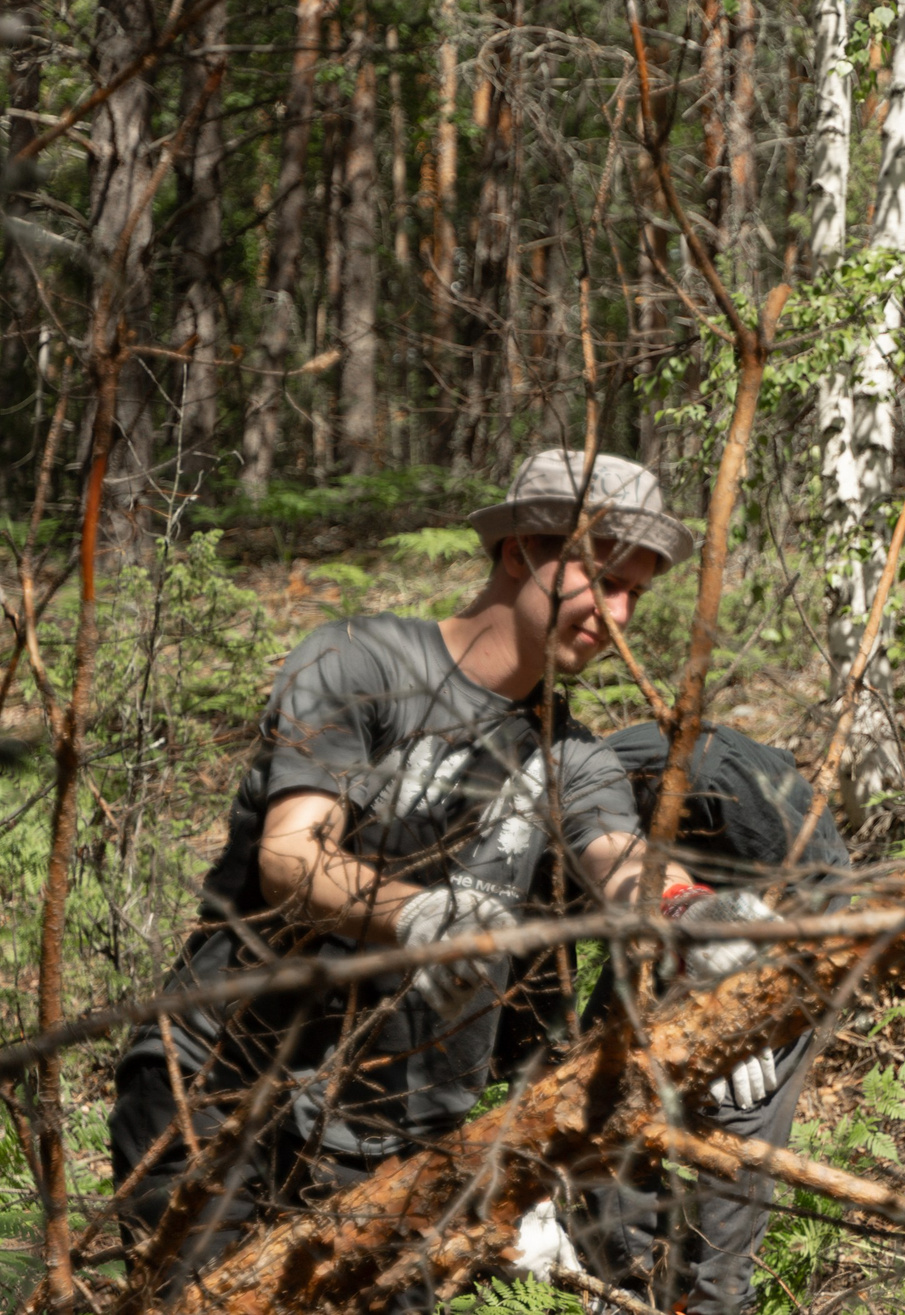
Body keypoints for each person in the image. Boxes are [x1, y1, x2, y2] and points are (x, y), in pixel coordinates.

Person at [109, 451, 751, 1291]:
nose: (618, 612)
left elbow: (625, 865)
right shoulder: (360, 662)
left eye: (638, 592)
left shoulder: (572, 753)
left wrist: (695, 920)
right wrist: (423, 918)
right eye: (601, 576)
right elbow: (289, 856)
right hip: (220, 1089)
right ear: (521, 547)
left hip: (387, 1144)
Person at [566, 720, 850, 1315]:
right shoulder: (504, 849)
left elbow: (806, 888)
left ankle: (720, 1300)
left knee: (742, 1103)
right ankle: (630, 1284)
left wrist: (747, 1004)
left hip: (783, 898)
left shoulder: (709, 782)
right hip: (665, 911)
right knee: (602, 1073)